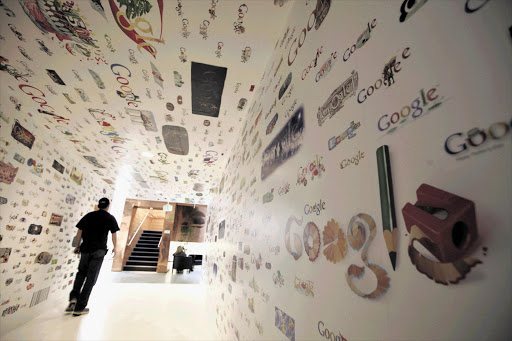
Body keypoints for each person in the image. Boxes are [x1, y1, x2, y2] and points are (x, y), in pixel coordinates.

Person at [66, 198, 119, 316]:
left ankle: (74, 297)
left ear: (98, 205)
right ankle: (80, 307)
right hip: (99, 250)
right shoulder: (110, 218)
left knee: (81, 273)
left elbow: (79, 231)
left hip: (85, 249)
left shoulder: (89, 216)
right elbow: (114, 234)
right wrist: (115, 247)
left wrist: (77, 246)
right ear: (108, 206)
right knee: (91, 278)